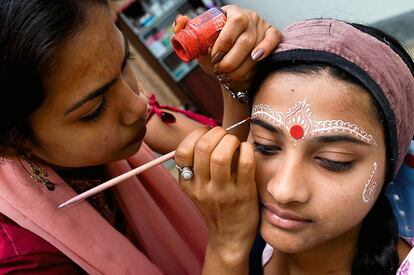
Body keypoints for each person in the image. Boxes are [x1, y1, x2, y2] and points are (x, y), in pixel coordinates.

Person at [0, 0, 281, 274]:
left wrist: (234, 77)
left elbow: (228, 150)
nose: (139, 105)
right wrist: (228, 244)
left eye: (126, 62)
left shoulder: (127, 115)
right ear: (13, 144)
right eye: (94, 110)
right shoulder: (19, 257)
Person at [174, 18, 414, 274]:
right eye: (266, 146)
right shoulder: (244, 223)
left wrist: (227, 248)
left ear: (391, 163)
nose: (283, 191)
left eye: (334, 160)